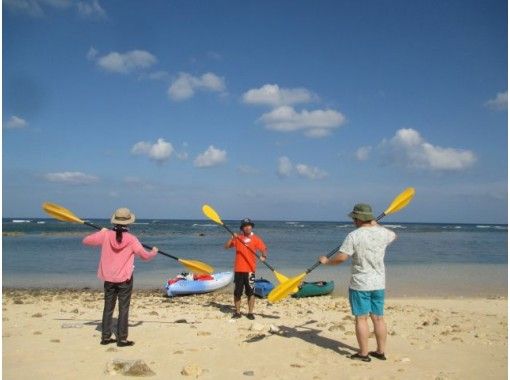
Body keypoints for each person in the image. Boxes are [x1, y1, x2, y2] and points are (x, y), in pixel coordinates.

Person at [319, 203, 396, 362]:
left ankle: (363, 354)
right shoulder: (383, 233)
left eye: (354, 218)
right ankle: (381, 352)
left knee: (361, 318)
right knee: (378, 318)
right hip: (379, 283)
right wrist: (376, 224)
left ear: (358, 218)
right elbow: (393, 235)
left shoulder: (354, 235)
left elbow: (341, 258)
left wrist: (326, 262)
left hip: (360, 283)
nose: (353, 221)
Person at [83, 207, 158, 347]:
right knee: (123, 308)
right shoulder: (132, 239)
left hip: (109, 279)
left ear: (114, 222)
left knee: (108, 307)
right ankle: (122, 339)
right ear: (128, 223)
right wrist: (153, 252)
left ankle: (105, 337)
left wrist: (102, 232)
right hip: (125, 280)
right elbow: (145, 256)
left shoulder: (106, 235)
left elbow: (86, 240)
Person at [225, 218, 267, 320]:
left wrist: (263, 257)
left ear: (251, 227)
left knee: (251, 293)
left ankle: (250, 313)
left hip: (250, 270)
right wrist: (231, 238)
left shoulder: (256, 239)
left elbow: (264, 249)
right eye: (245, 226)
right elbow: (226, 247)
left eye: (249, 225)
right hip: (239, 270)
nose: (247, 227)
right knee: (237, 293)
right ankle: (238, 312)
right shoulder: (237, 238)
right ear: (242, 228)